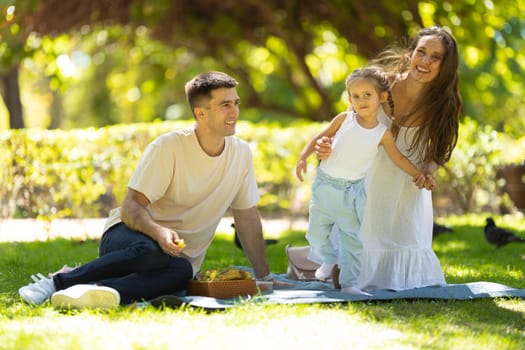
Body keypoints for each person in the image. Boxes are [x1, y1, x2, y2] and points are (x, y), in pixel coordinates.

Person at [18, 71, 274, 308]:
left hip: (176, 259)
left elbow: (246, 216)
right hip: (129, 238)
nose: (235, 112)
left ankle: (95, 291)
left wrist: (265, 276)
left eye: (236, 103)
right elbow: (131, 207)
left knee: (182, 273)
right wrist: (158, 232)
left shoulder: (241, 154)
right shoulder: (168, 148)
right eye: (225, 105)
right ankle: (57, 282)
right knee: (152, 254)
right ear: (201, 113)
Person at [316, 26, 461, 291]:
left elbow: (438, 152)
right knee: (344, 266)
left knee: (403, 268)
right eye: (422, 52)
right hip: (365, 181)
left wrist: (428, 170)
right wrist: (328, 147)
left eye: (436, 57)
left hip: (405, 185)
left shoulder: (443, 103)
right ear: (410, 53)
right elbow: (349, 126)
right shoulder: (380, 85)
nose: (426, 61)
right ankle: (325, 263)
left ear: (446, 66)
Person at [295, 67, 427, 295]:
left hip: (351, 194)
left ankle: (350, 284)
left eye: (367, 94)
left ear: (382, 97)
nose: (361, 100)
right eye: (356, 96)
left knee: (351, 240)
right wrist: (302, 157)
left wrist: (418, 174)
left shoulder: (382, 133)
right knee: (316, 234)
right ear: (349, 99)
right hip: (325, 187)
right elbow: (320, 137)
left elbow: (399, 158)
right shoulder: (344, 119)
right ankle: (329, 258)